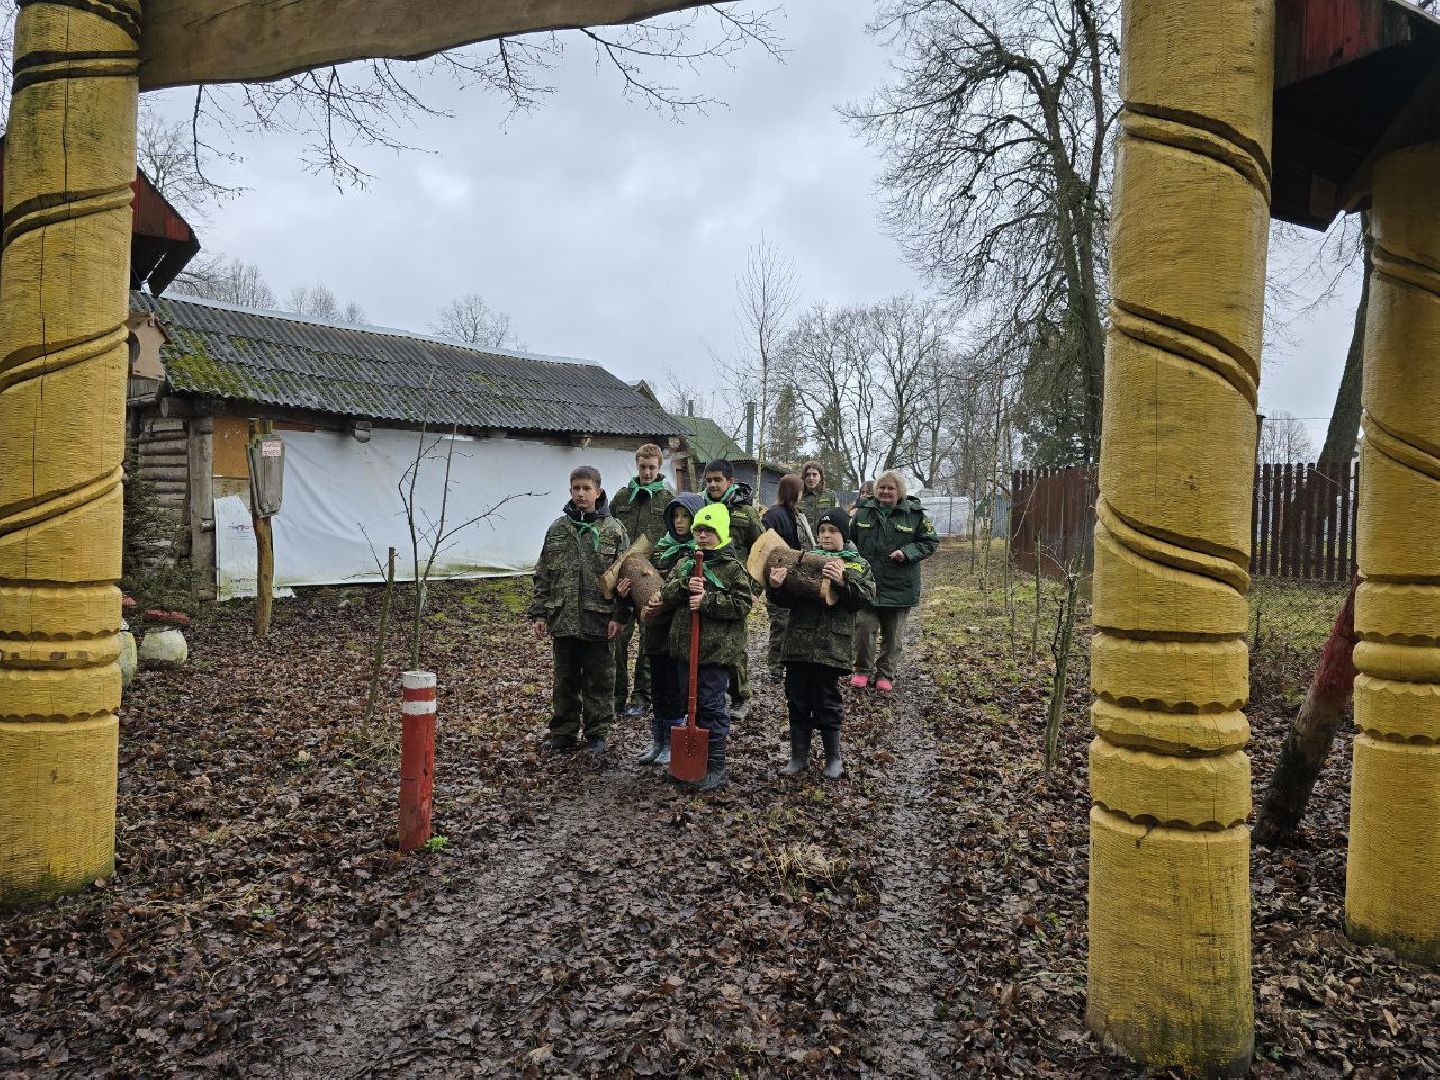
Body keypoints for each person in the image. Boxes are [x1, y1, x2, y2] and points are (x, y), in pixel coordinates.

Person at [650, 504, 755, 792]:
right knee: (689, 704)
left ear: (721, 534)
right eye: (699, 530)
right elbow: (666, 592)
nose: (703, 536)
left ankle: (715, 766)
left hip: (714, 652)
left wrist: (708, 601)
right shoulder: (686, 561)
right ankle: (691, 761)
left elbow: (743, 604)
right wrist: (685, 585)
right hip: (685, 650)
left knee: (710, 707)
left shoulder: (732, 568)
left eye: (709, 531)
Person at [767, 508, 875, 778]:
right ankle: (798, 758)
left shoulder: (857, 564)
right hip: (799, 644)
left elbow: (865, 598)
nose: (826, 536)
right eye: (822, 531)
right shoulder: (804, 559)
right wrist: (776, 587)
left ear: (844, 534)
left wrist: (842, 580)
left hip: (831, 646)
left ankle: (833, 759)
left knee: (827, 701)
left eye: (833, 531)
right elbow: (786, 601)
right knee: (797, 699)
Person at [529, 466, 629, 752]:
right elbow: (543, 574)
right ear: (570, 491)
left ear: (598, 492)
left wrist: (620, 616)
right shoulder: (558, 529)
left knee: (600, 678)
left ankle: (597, 733)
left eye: (587, 488)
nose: (581, 494)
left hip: (599, 619)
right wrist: (539, 613)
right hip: (563, 618)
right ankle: (564, 732)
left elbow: (626, 576)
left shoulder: (614, 530)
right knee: (565, 680)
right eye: (576, 488)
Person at [625, 491, 704, 766]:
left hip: (682, 630)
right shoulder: (660, 548)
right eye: (675, 516)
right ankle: (658, 741)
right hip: (656, 629)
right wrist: (628, 592)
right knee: (657, 685)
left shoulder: (700, 552)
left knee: (677, 686)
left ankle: (673, 741)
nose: (679, 522)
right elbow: (642, 583)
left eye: (685, 516)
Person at [850, 470, 938, 693]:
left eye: (891, 488)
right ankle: (861, 670)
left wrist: (907, 552)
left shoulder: (914, 514)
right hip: (867, 584)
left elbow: (930, 542)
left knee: (893, 634)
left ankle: (885, 674)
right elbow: (849, 541)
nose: (885, 491)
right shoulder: (863, 512)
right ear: (876, 490)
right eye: (882, 487)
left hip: (899, 586)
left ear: (900, 491)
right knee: (863, 628)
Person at [609, 444, 676, 720]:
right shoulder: (622, 496)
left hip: (652, 581)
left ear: (660, 467)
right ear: (636, 465)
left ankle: (641, 697)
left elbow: (676, 537)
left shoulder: (668, 499)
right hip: (623, 582)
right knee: (617, 640)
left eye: (652, 467)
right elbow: (609, 531)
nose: (647, 472)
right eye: (643, 467)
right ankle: (616, 697)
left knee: (649, 643)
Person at [702, 459, 763, 718]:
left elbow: (763, 550)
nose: (713, 485)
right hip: (704, 584)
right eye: (709, 480)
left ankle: (740, 696)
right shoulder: (700, 507)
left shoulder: (745, 513)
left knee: (735, 644)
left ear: (730, 481)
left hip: (736, 588)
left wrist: (754, 589)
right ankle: (706, 696)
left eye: (718, 480)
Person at [760, 473, 813, 677]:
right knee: (780, 624)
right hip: (778, 579)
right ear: (794, 492)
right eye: (800, 491)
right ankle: (775, 669)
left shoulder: (796, 515)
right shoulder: (773, 515)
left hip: (796, 578)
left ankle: (789, 665)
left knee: (793, 623)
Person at [797, 460, 838, 530]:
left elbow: (837, 519)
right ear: (803, 477)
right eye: (808, 475)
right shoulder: (797, 496)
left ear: (820, 477)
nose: (811, 478)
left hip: (823, 536)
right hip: (801, 536)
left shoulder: (830, 496)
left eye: (814, 474)